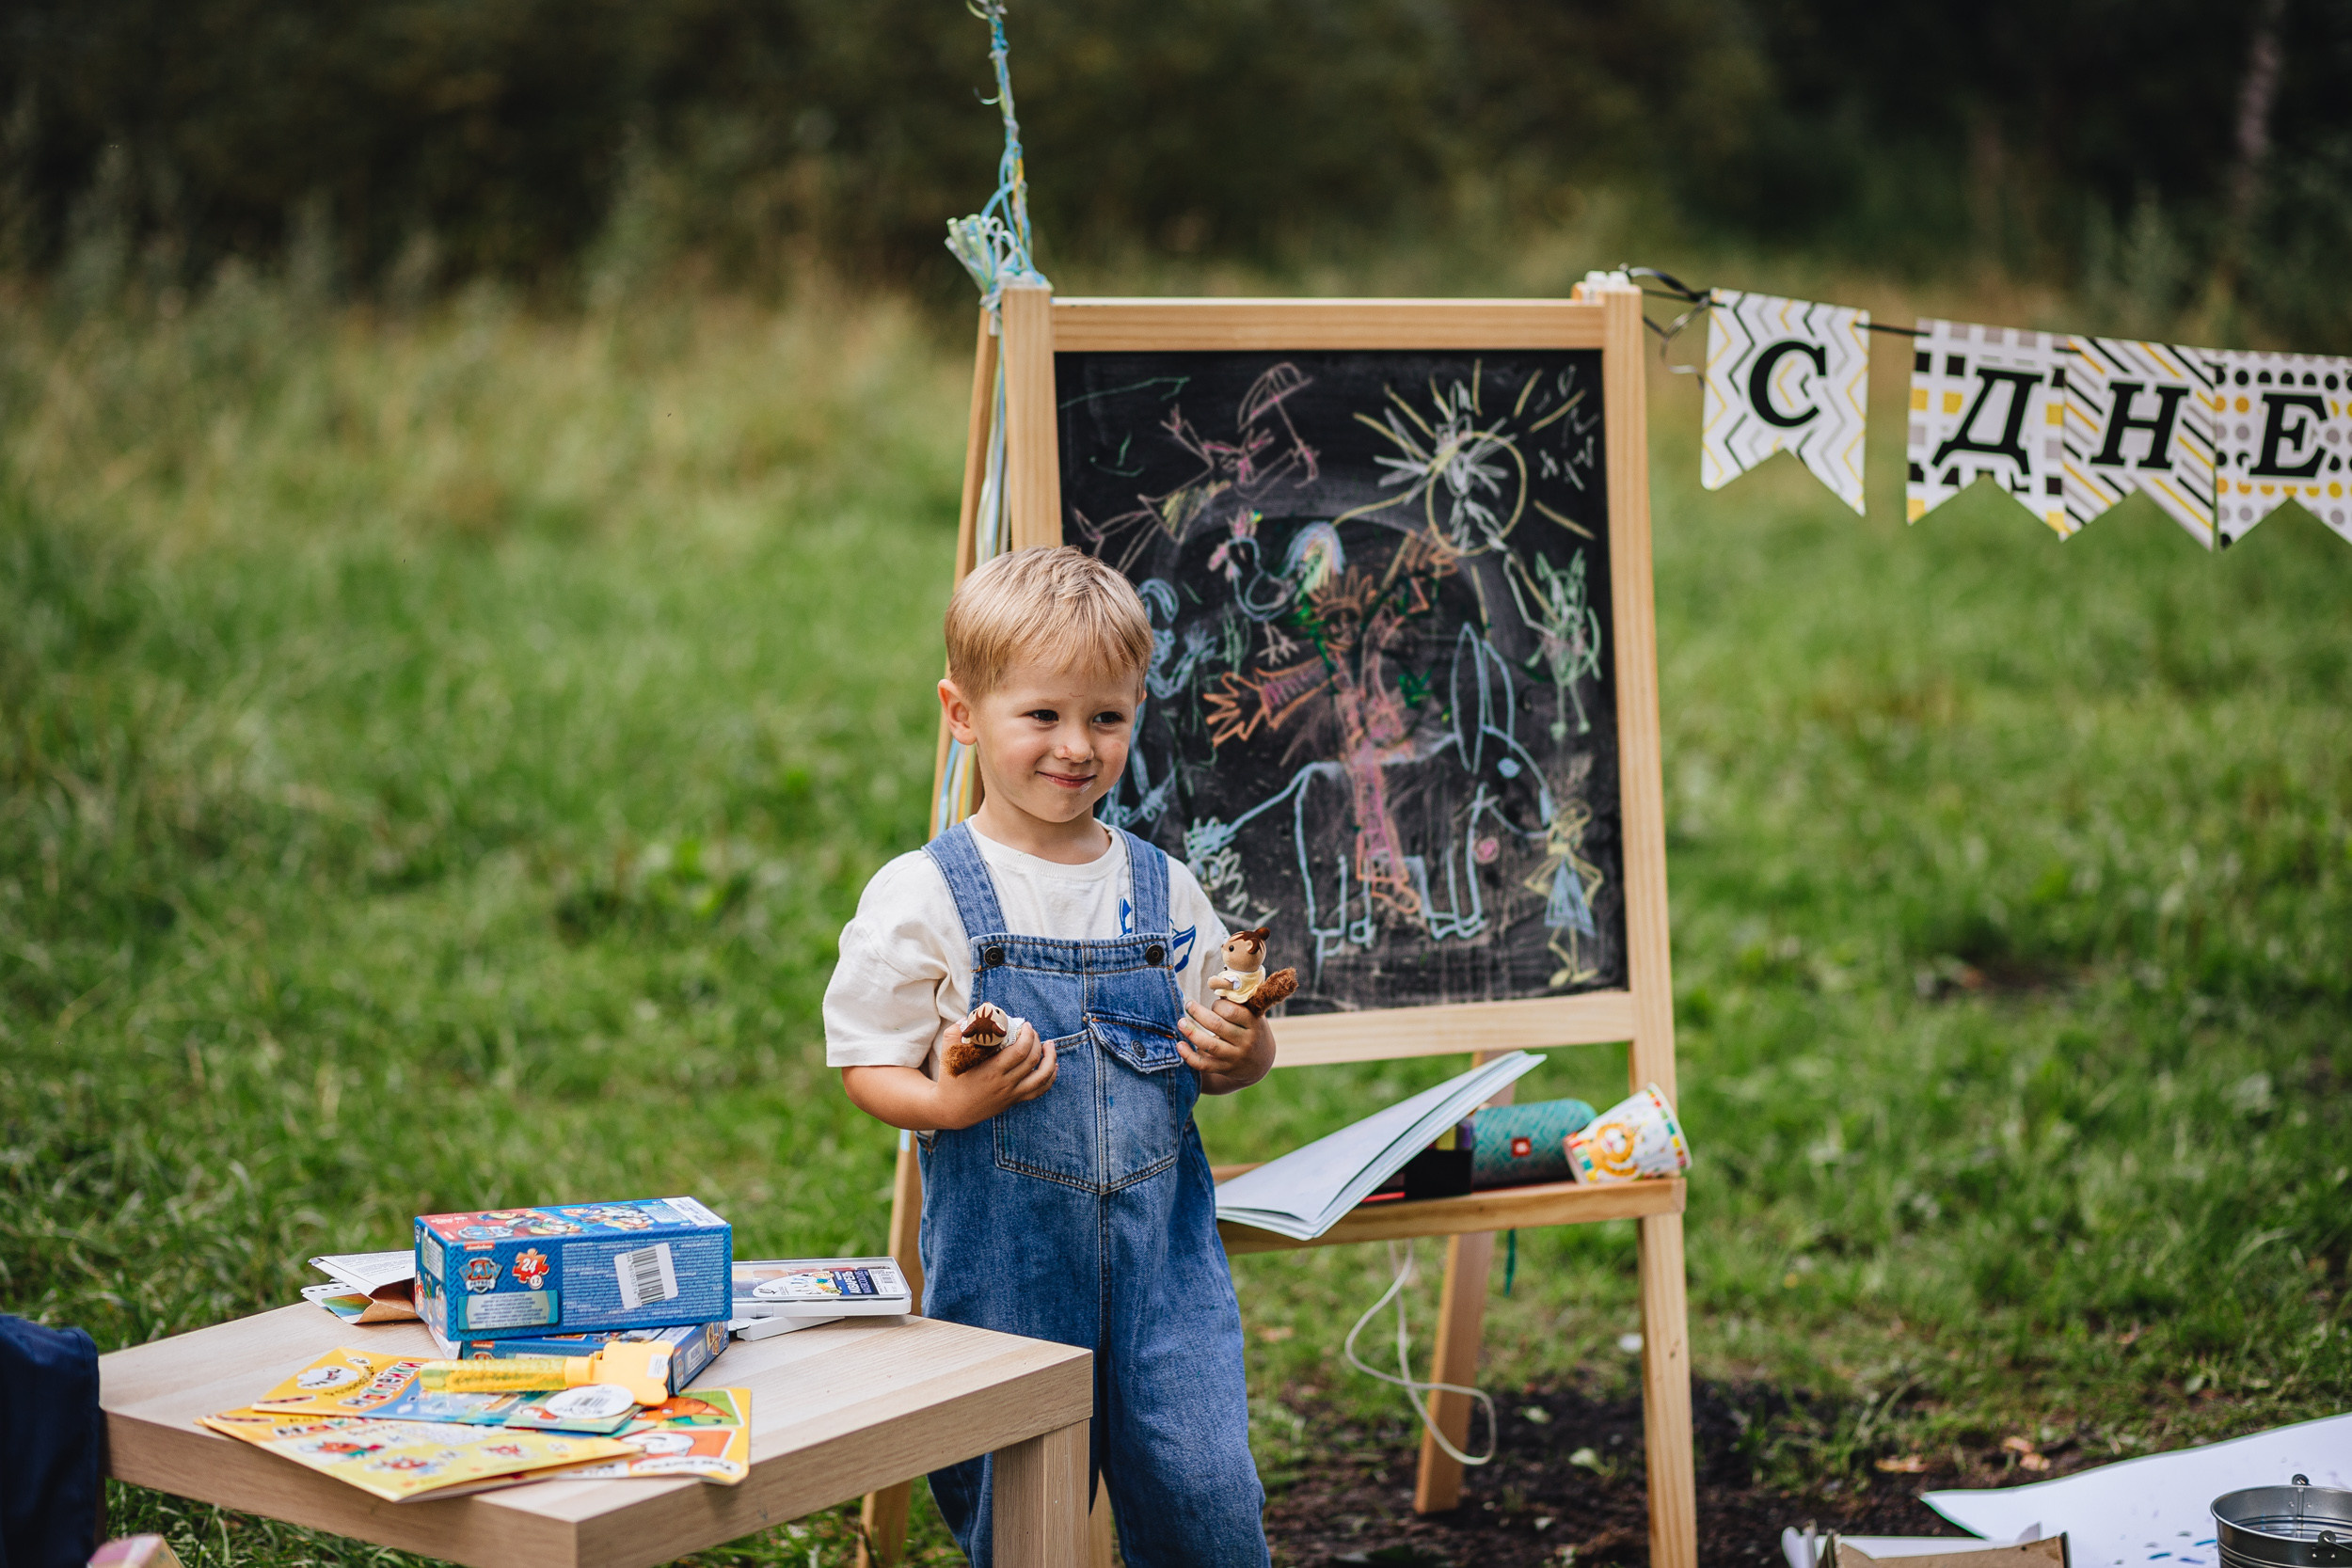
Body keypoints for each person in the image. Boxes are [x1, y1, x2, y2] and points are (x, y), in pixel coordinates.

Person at [825, 546, 1274, 1568]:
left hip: (1169, 1276)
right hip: (1008, 1282)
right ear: (961, 711)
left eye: (1106, 718)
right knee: (1019, 1522)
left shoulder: (1163, 890)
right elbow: (865, 1059)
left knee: (1209, 1496)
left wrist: (1239, 1045)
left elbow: (1235, 1044)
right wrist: (949, 1103)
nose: (1076, 746)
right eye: (1042, 715)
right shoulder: (928, 893)